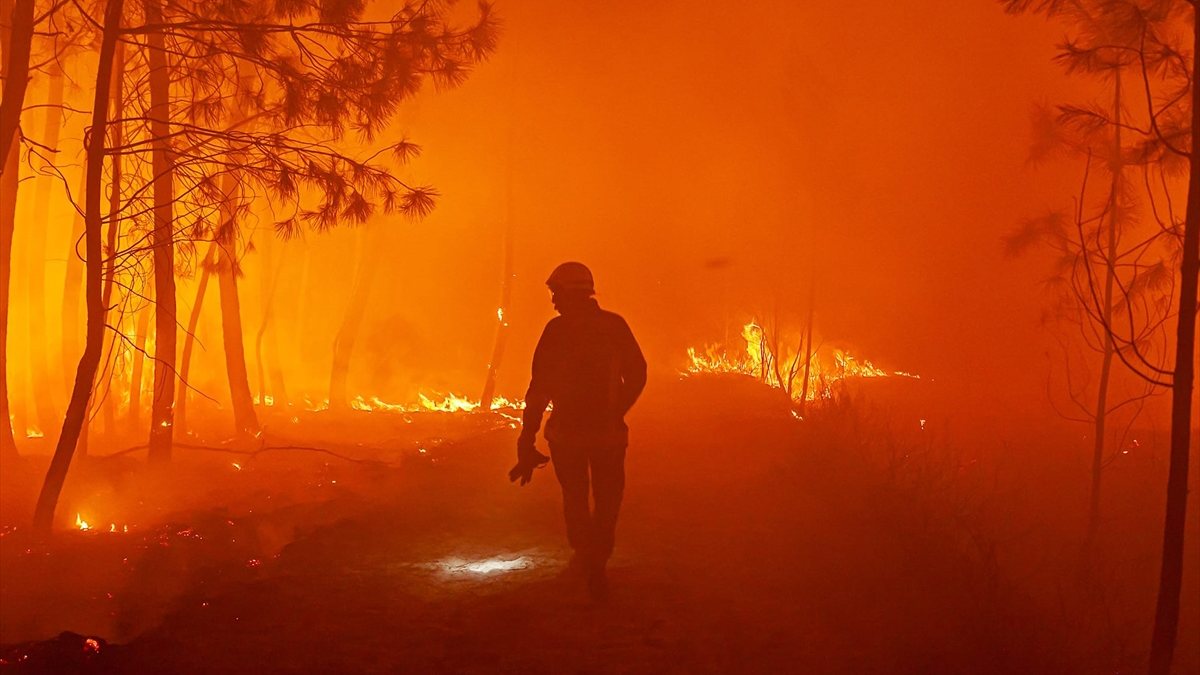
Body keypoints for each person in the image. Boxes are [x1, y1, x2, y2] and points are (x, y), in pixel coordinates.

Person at [510, 262, 647, 599]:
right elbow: (638, 373)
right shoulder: (614, 326)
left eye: (556, 294)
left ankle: (588, 558)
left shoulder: (556, 332)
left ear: (570, 294)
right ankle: (596, 561)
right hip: (608, 435)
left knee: (575, 497)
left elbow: (539, 389)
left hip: (567, 436)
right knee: (608, 499)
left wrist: (527, 439)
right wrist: (617, 411)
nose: (553, 301)